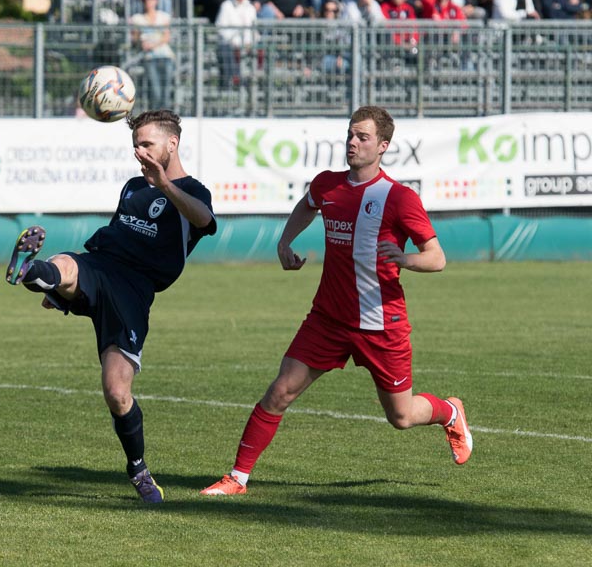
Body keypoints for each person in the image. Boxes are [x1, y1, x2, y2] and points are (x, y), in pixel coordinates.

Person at [200, 105, 472, 496]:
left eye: (362, 137)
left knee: (401, 416)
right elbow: (306, 205)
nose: (352, 143)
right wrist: (284, 241)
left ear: (383, 146)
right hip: (327, 318)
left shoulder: (399, 198)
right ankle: (237, 478)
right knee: (280, 391)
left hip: (381, 324)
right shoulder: (328, 184)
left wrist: (404, 259)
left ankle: (450, 411)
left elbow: (437, 258)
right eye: (350, 135)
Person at [4, 109, 216, 503]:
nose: (140, 152)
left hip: (134, 290)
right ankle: (35, 273)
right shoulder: (133, 186)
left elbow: (203, 220)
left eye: (147, 144)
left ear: (172, 144)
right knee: (65, 264)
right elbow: (117, 234)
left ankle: (138, 469)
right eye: (136, 144)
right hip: (101, 265)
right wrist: (61, 291)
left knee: (117, 393)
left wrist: (164, 184)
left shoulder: (193, 191)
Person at [129, 0, 175, 111]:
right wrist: (137, 37)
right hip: (150, 58)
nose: (150, 1)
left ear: (156, 0)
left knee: (166, 91)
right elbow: (135, 38)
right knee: (155, 91)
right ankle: (155, 116)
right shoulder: (137, 18)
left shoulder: (163, 16)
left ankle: (165, 116)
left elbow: (166, 37)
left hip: (166, 56)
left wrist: (153, 44)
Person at [215, 0, 257, 86]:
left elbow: (253, 29)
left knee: (260, 50)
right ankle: (230, 82)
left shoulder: (250, 8)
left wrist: (249, 42)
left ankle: (251, 83)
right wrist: (234, 42)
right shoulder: (226, 6)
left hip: (247, 44)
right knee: (226, 50)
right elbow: (221, 28)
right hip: (230, 44)